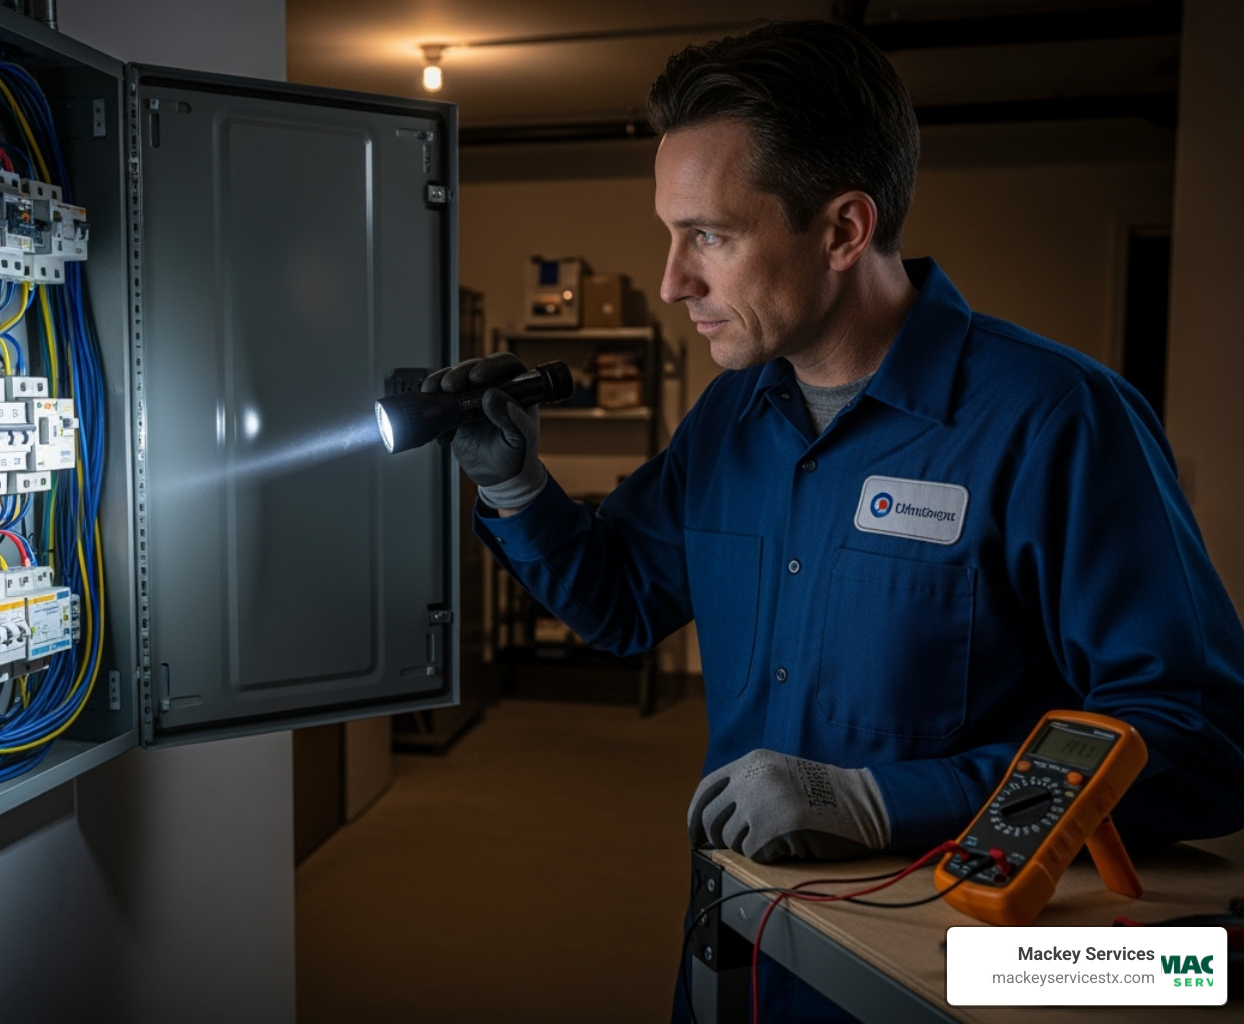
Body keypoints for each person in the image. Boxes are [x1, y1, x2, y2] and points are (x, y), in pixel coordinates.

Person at [426, 18, 1244, 1023]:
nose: (676, 278)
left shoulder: (1053, 419)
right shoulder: (732, 413)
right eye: (672, 234)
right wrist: (516, 487)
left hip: (939, 979)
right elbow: (622, 604)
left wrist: (881, 800)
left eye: (710, 237)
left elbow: (1202, 741)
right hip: (740, 956)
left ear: (844, 229)